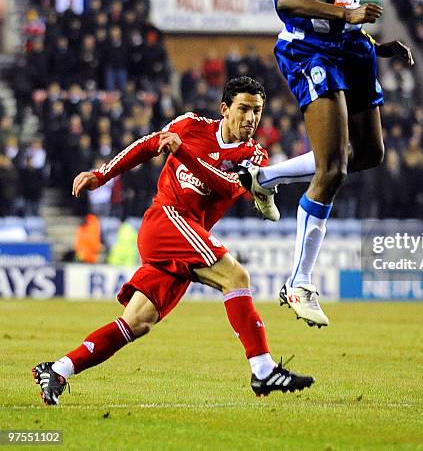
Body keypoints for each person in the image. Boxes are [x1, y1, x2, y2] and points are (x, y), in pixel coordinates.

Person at [32, 77, 313, 405]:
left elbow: (227, 187)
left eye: (257, 111)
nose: (251, 118)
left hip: (186, 235)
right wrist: (103, 174)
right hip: (166, 220)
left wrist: (186, 156)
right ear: (225, 109)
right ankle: (263, 370)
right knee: (236, 276)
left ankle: (59, 369)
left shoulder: (255, 157)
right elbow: (148, 145)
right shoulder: (190, 125)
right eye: (244, 109)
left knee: (137, 322)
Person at [238, 0, 414, 328]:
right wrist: (346, 15)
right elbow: (288, 1)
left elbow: (345, 8)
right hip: (308, 50)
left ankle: (267, 178)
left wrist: (374, 43)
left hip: (351, 49)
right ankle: (299, 283)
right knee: (332, 169)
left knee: (370, 154)